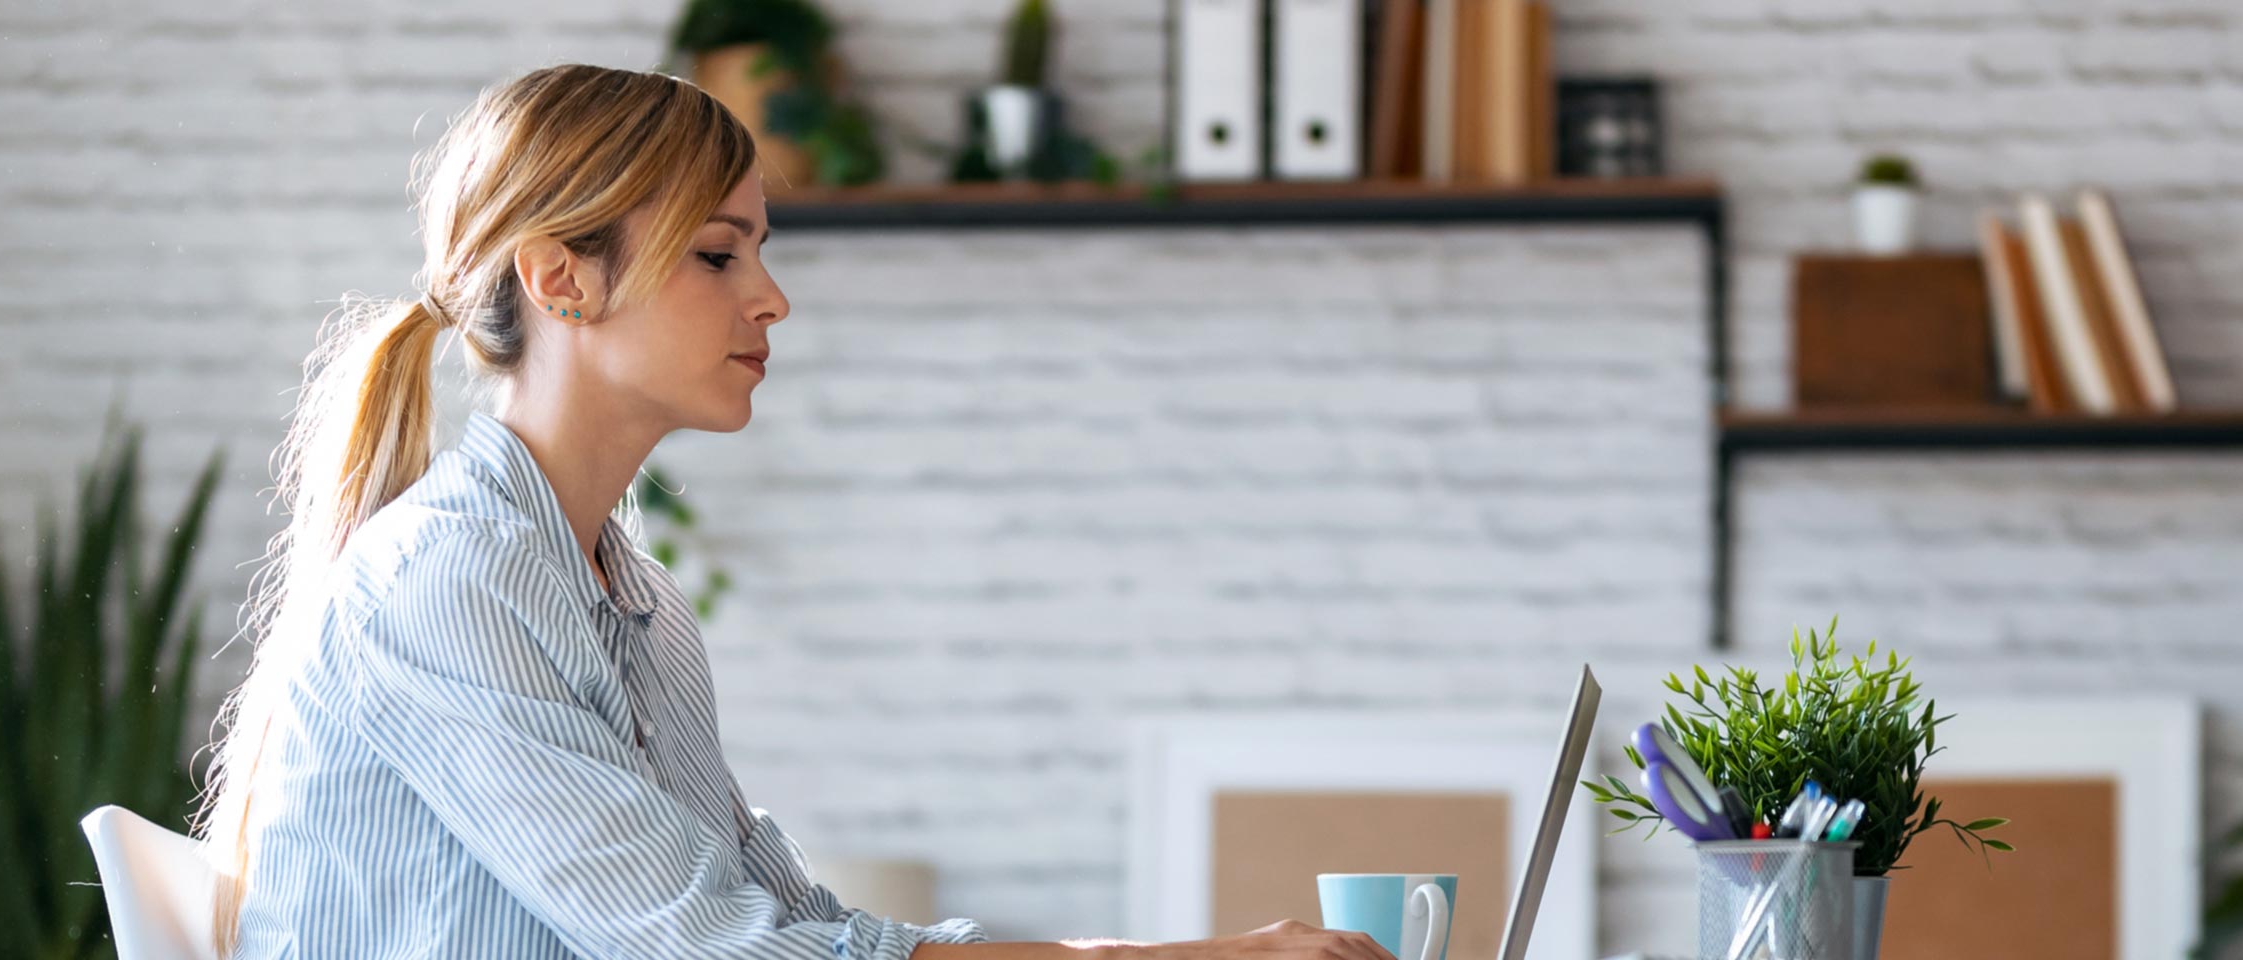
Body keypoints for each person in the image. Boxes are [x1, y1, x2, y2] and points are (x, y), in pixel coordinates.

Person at [197, 64, 1399, 960]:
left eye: (759, 251)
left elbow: (800, 927)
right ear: (561, 277)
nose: (771, 299)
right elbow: (716, 950)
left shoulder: (636, 601)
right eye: (719, 256)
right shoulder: (449, 580)